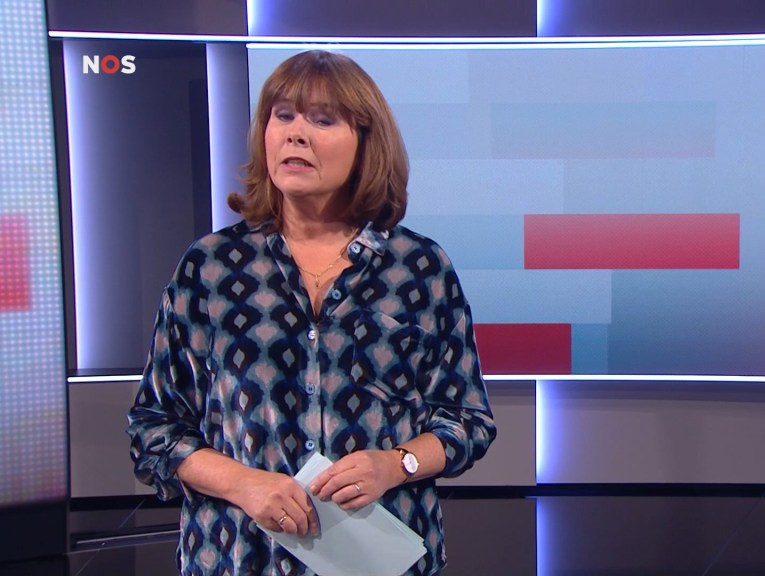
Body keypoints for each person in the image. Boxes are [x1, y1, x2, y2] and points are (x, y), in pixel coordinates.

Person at [127, 50, 496, 576]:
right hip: (237, 557)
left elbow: (467, 421)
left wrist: (395, 464)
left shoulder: (419, 267)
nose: (295, 134)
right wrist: (244, 484)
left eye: (322, 120)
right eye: (283, 116)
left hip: (378, 560)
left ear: (366, 144)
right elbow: (154, 428)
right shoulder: (209, 268)